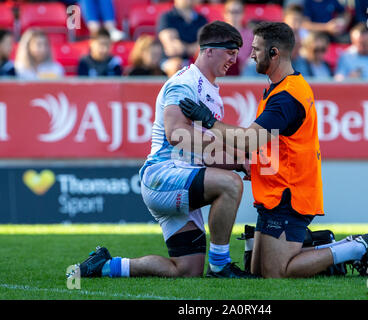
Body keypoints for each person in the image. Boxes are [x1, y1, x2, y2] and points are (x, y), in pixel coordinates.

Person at [178, 21, 368, 278]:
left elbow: (247, 141)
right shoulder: (281, 89)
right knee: (258, 272)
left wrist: (207, 120)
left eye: (256, 49)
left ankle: (356, 247)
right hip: (276, 191)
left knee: (276, 272)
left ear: (274, 53)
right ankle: (319, 244)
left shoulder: (286, 97)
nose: (250, 55)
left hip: (289, 193)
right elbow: (268, 146)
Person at [73, 21, 255, 279]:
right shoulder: (185, 83)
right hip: (164, 176)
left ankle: (104, 266)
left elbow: (202, 152)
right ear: (208, 50)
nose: (235, 58)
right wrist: (236, 159)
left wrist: (237, 161)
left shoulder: (212, 90)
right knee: (232, 185)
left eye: (237, 52)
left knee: (187, 270)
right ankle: (220, 265)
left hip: (177, 177)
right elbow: (176, 134)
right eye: (230, 51)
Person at [157, 0, 208, 77]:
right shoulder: (167, 17)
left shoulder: (202, 19)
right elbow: (172, 49)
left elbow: (204, 46)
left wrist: (183, 47)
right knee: (176, 65)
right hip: (170, 60)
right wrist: (194, 47)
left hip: (195, 61)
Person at [222, 0, 253, 75]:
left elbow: (255, 56)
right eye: (231, 11)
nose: (234, 15)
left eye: (237, 12)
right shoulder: (217, 35)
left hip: (245, 72)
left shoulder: (251, 35)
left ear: (243, 14)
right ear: (224, 14)